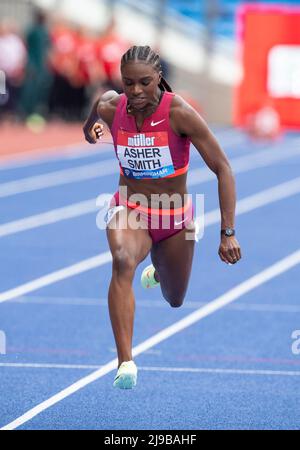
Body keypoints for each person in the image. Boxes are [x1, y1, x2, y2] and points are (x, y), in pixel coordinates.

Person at [83, 45, 241, 389]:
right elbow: (95, 111)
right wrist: (91, 130)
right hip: (131, 207)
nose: (136, 91)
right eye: (128, 83)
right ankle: (125, 362)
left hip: (174, 220)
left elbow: (223, 168)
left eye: (144, 82)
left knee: (175, 298)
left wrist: (228, 231)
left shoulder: (180, 113)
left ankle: (159, 268)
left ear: (159, 78)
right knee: (122, 260)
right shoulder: (112, 106)